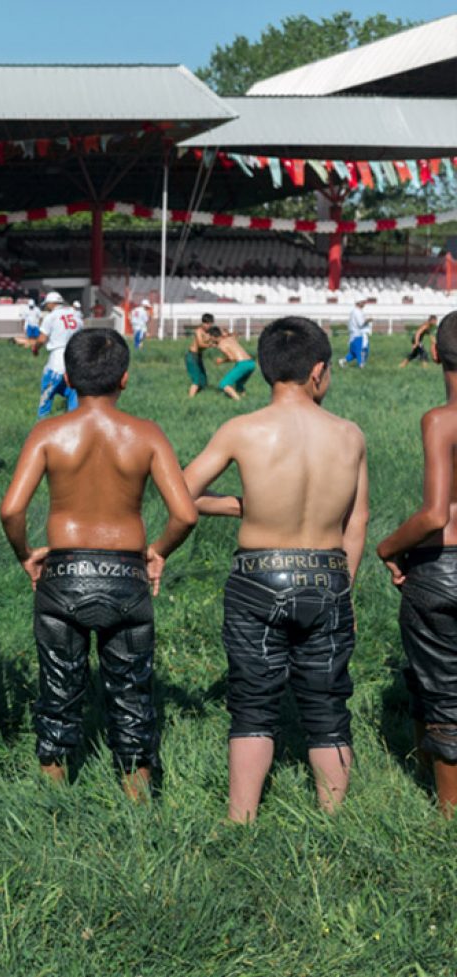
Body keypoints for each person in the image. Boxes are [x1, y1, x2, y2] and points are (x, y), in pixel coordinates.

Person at [183, 316, 369, 823]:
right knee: (328, 704)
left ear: (264, 370)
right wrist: (343, 589)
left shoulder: (241, 429)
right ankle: (332, 820)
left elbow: (184, 492)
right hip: (328, 571)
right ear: (317, 372)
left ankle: (240, 820)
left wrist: (244, 506)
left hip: (258, 574)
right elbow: (359, 519)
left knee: (253, 707)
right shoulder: (349, 435)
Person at [0, 329, 196, 799]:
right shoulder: (146, 434)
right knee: (132, 699)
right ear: (125, 379)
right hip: (126, 573)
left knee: (57, 693)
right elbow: (185, 513)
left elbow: (10, 510)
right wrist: (159, 552)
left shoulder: (48, 433)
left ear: (66, 378)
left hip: (63, 572)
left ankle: (52, 803)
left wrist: (26, 555)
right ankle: (137, 803)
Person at [376, 311, 457, 816]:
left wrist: (388, 549)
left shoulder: (439, 420)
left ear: (433, 354)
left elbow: (432, 514)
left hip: (442, 566)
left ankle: (448, 815)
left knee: (442, 688)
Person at [30, 291, 80, 417]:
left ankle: (41, 425)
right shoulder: (76, 315)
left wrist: (35, 347)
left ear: (51, 303)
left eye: (47, 304)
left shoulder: (51, 317)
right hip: (75, 358)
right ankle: (73, 423)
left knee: (46, 396)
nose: (46, 307)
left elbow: (41, 339)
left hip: (57, 359)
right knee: (73, 395)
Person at [208, 325, 257, 401]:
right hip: (251, 363)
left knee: (223, 384)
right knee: (239, 384)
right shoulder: (230, 338)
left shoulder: (221, 345)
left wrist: (221, 361)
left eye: (210, 337)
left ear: (213, 336)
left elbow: (232, 358)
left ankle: (238, 400)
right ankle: (245, 399)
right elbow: (234, 336)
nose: (209, 339)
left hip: (242, 364)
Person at [186, 314, 217, 397]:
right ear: (203, 323)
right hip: (192, 356)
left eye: (210, 324)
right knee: (196, 379)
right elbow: (200, 344)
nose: (208, 325)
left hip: (198, 356)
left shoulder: (209, 332)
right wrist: (211, 344)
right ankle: (190, 398)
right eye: (206, 323)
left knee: (203, 379)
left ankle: (201, 395)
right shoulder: (198, 331)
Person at [342, 297, 375, 368]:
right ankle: (361, 365)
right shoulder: (356, 312)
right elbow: (361, 323)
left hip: (355, 334)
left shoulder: (357, 311)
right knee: (361, 350)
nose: (364, 303)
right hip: (358, 334)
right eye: (363, 302)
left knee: (353, 353)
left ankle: (342, 361)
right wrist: (369, 320)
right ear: (359, 302)